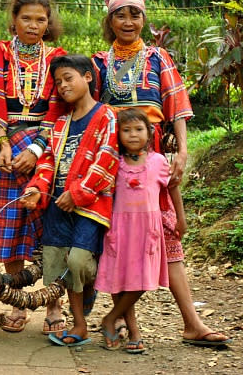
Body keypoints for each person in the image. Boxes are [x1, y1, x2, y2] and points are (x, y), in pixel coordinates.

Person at [92, 0, 230, 347]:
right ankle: (125, 324)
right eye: (120, 15)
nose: (128, 22)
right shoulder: (98, 64)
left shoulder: (158, 58)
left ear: (143, 20)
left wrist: (181, 153)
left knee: (167, 239)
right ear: (109, 21)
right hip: (112, 161)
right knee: (117, 239)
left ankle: (192, 323)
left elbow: (178, 107)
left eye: (134, 15)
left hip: (154, 160)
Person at [0, 0, 66, 333]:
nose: (33, 25)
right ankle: (16, 305)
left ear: (48, 22)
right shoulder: (0, 53)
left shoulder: (56, 57)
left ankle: (53, 305)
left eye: (40, 19)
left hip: (45, 149)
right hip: (6, 151)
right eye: (26, 18)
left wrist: (36, 150)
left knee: (47, 229)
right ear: (14, 20)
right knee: (10, 228)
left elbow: (58, 108)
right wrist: (4, 143)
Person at [20, 54, 119, 346]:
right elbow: (48, 160)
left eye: (68, 78)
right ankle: (79, 324)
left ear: (88, 77)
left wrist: (78, 194)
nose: (62, 86)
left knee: (78, 261)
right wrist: (37, 188)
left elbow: (107, 159)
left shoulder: (106, 116)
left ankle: (90, 292)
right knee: (56, 261)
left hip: (89, 206)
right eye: (58, 82)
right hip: (57, 206)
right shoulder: (60, 123)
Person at [95, 109, 186, 353]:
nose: (133, 135)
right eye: (126, 130)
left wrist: (180, 219)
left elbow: (172, 189)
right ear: (118, 135)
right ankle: (134, 331)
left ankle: (110, 317)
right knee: (121, 280)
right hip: (119, 229)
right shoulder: (114, 162)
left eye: (138, 129)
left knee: (143, 279)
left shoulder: (158, 162)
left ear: (149, 132)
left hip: (148, 230)